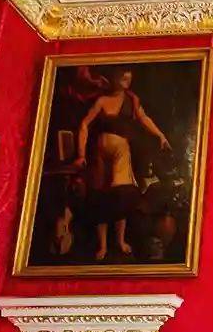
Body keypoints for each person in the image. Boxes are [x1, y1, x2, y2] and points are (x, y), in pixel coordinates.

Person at [71, 68, 170, 260]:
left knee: (121, 195)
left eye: (128, 79)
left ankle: (120, 241)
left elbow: (144, 118)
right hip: (99, 153)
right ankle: (102, 246)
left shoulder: (131, 101)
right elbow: (84, 125)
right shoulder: (101, 100)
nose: (125, 82)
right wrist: (81, 154)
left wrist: (160, 135)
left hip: (121, 152)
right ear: (114, 79)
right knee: (101, 196)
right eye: (122, 78)